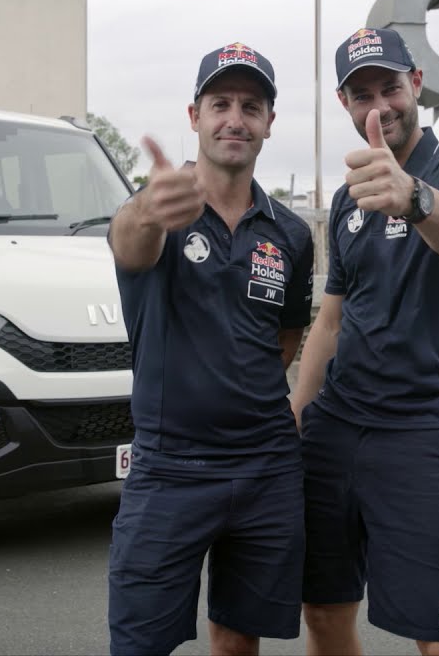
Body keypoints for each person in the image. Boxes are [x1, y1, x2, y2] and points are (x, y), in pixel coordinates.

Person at [291, 27, 439, 656]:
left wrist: (414, 197)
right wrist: (297, 417)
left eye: (390, 87)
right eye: (361, 95)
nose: (379, 106)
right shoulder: (350, 203)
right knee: (324, 613)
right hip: (338, 428)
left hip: (425, 432)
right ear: (343, 103)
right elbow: (329, 322)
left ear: (416, 84)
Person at [106, 41, 315, 656]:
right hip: (171, 467)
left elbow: (287, 333)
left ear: (269, 124)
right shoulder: (158, 213)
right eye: (219, 103)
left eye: (251, 107)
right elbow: (128, 243)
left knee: (237, 636)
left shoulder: (292, 233)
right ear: (194, 116)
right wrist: (149, 207)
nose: (235, 119)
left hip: (268, 467)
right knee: (140, 643)